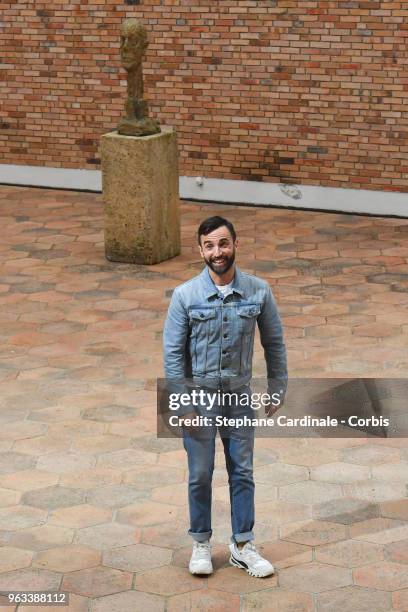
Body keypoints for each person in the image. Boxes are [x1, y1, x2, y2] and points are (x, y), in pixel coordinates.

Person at [163, 216, 287, 577]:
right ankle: (201, 542)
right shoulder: (185, 296)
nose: (217, 252)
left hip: (238, 398)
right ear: (201, 250)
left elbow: (274, 343)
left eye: (223, 243)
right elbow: (173, 355)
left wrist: (276, 389)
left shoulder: (258, 291)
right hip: (199, 399)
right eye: (209, 245)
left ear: (235, 244)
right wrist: (183, 404)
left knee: (242, 472)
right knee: (200, 474)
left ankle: (243, 545)